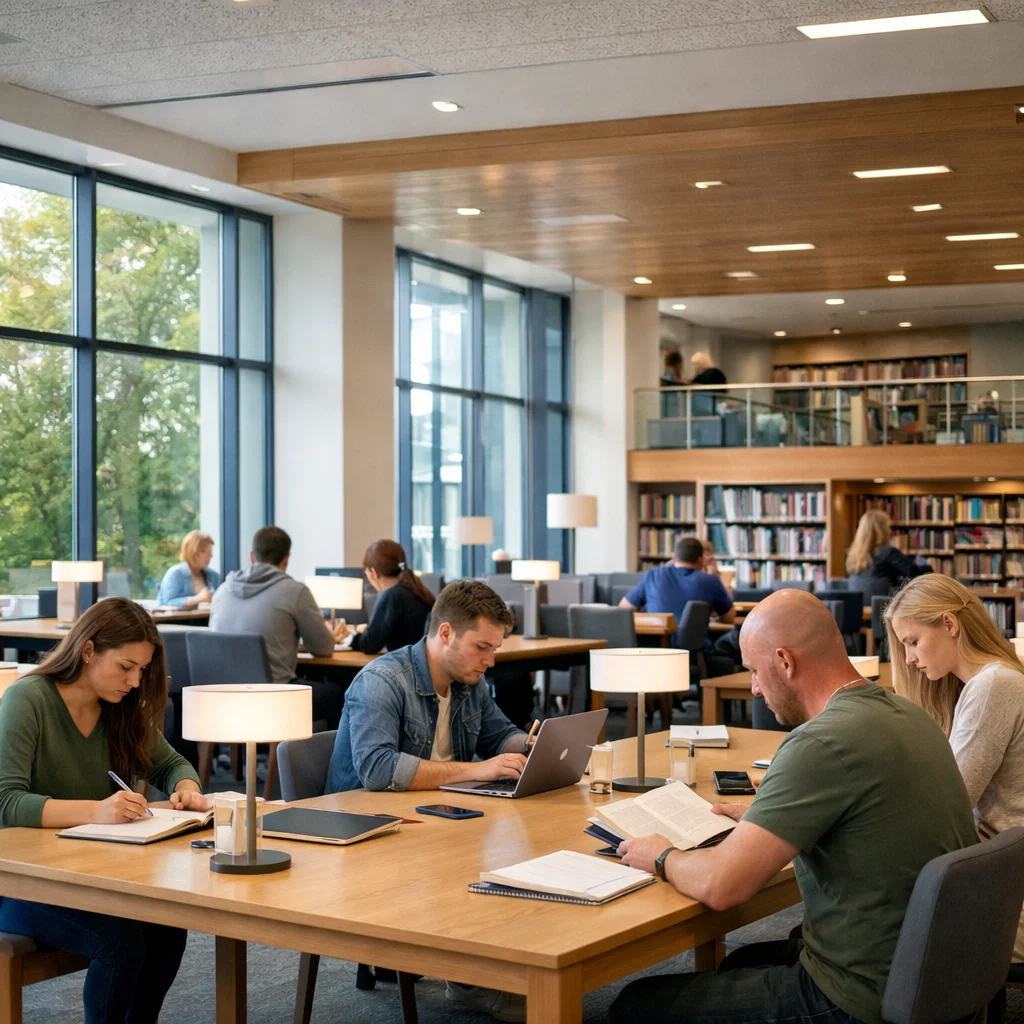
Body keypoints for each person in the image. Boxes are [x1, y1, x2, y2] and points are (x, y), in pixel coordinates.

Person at [610, 589, 978, 1024]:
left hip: (859, 996)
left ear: (785, 662)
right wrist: (769, 821)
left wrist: (660, 854)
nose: (753, 688)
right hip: (937, 972)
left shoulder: (820, 741)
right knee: (738, 965)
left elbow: (722, 887)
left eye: (754, 671)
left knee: (634, 1005)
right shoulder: (909, 715)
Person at [327, 578, 532, 1023]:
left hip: (433, 819)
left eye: (494, 649)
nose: (490, 661)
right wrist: (476, 770)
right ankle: (471, 980)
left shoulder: (467, 679)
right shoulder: (381, 681)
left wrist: (534, 745)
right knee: (483, 853)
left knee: (518, 847)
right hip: (366, 831)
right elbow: (379, 771)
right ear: (444, 634)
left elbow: (500, 734)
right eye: (482, 647)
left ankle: (492, 970)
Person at [0, 597, 212, 1024]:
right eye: (126, 667)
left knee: (168, 927)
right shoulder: (27, 700)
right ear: (89, 650)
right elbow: (7, 802)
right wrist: (96, 811)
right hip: (20, 881)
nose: (135, 681)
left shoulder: (119, 707)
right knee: (121, 942)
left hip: (88, 872)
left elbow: (171, 764)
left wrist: (186, 788)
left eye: (143, 670)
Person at [886, 574, 1024, 961]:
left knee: (869, 918)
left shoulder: (993, 686)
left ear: (949, 624)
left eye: (913, 642)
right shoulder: (987, 681)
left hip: (1009, 887)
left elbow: (950, 803)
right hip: (998, 867)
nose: (910, 659)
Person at [210, 526, 347, 727]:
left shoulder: (222, 590)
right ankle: (313, 758)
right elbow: (323, 649)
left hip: (220, 696)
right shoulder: (295, 591)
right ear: (286, 559)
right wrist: (330, 636)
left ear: (251, 556)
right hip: (273, 698)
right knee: (338, 693)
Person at [619, 535, 735, 653]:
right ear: (701, 560)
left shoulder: (652, 575)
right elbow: (730, 617)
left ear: (674, 559)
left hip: (652, 651)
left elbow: (624, 609)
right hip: (692, 654)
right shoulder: (710, 581)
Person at [335, 539, 434, 655]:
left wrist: (349, 637)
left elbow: (369, 645)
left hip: (402, 667)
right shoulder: (417, 590)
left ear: (374, 572)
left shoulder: (392, 595)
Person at [846, 508, 930, 600]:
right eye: (888, 527)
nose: (890, 531)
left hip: (858, 606)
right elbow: (913, 572)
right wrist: (928, 567)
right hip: (882, 606)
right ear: (882, 530)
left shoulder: (855, 554)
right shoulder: (887, 551)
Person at [156, 529, 220, 608]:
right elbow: (166, 603)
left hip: (206, 619)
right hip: (179, 620)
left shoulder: (213, 575)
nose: (211, 556)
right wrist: (197, 599)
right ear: (193, 552)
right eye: (206, 552)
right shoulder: (175, 574)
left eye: (211, 553)